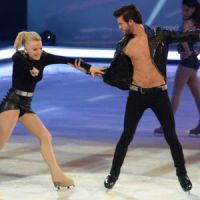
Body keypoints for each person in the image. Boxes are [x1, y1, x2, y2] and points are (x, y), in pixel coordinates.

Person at [75, 4, 200, 192]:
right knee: (126, 137)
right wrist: (87, 68)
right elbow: (113, 72)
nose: (119, 27)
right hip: (137, 95)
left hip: (159, 94)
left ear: (131, 21)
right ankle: (113, 175)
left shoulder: (160, 35)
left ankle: (182, 175)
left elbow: (187, 36)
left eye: (120, 23)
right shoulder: (124, 45)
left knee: (171, 137)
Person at [0, 31, 105, 190]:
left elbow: (67, 60)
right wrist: (32, 68)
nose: (38, 52)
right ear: (26, 49)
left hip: (25, 104)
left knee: (45, 136)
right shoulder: (19, 57)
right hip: (13, 102)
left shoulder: (44, 57)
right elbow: (19, 60)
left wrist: (89, 68)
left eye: (40, 48)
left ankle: (57, 175)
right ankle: (57, 174)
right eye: (34, 49)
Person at [154, 0, 200, 136]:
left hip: (187, 63)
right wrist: (195, 52)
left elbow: (183, 39)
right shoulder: (195, 23)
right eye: (183, 10)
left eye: (187, 10)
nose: (184, 12)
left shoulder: (188, 23)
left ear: (194, 10)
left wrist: (189, 52)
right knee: (197, 95)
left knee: (176, 94)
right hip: (193, 62)